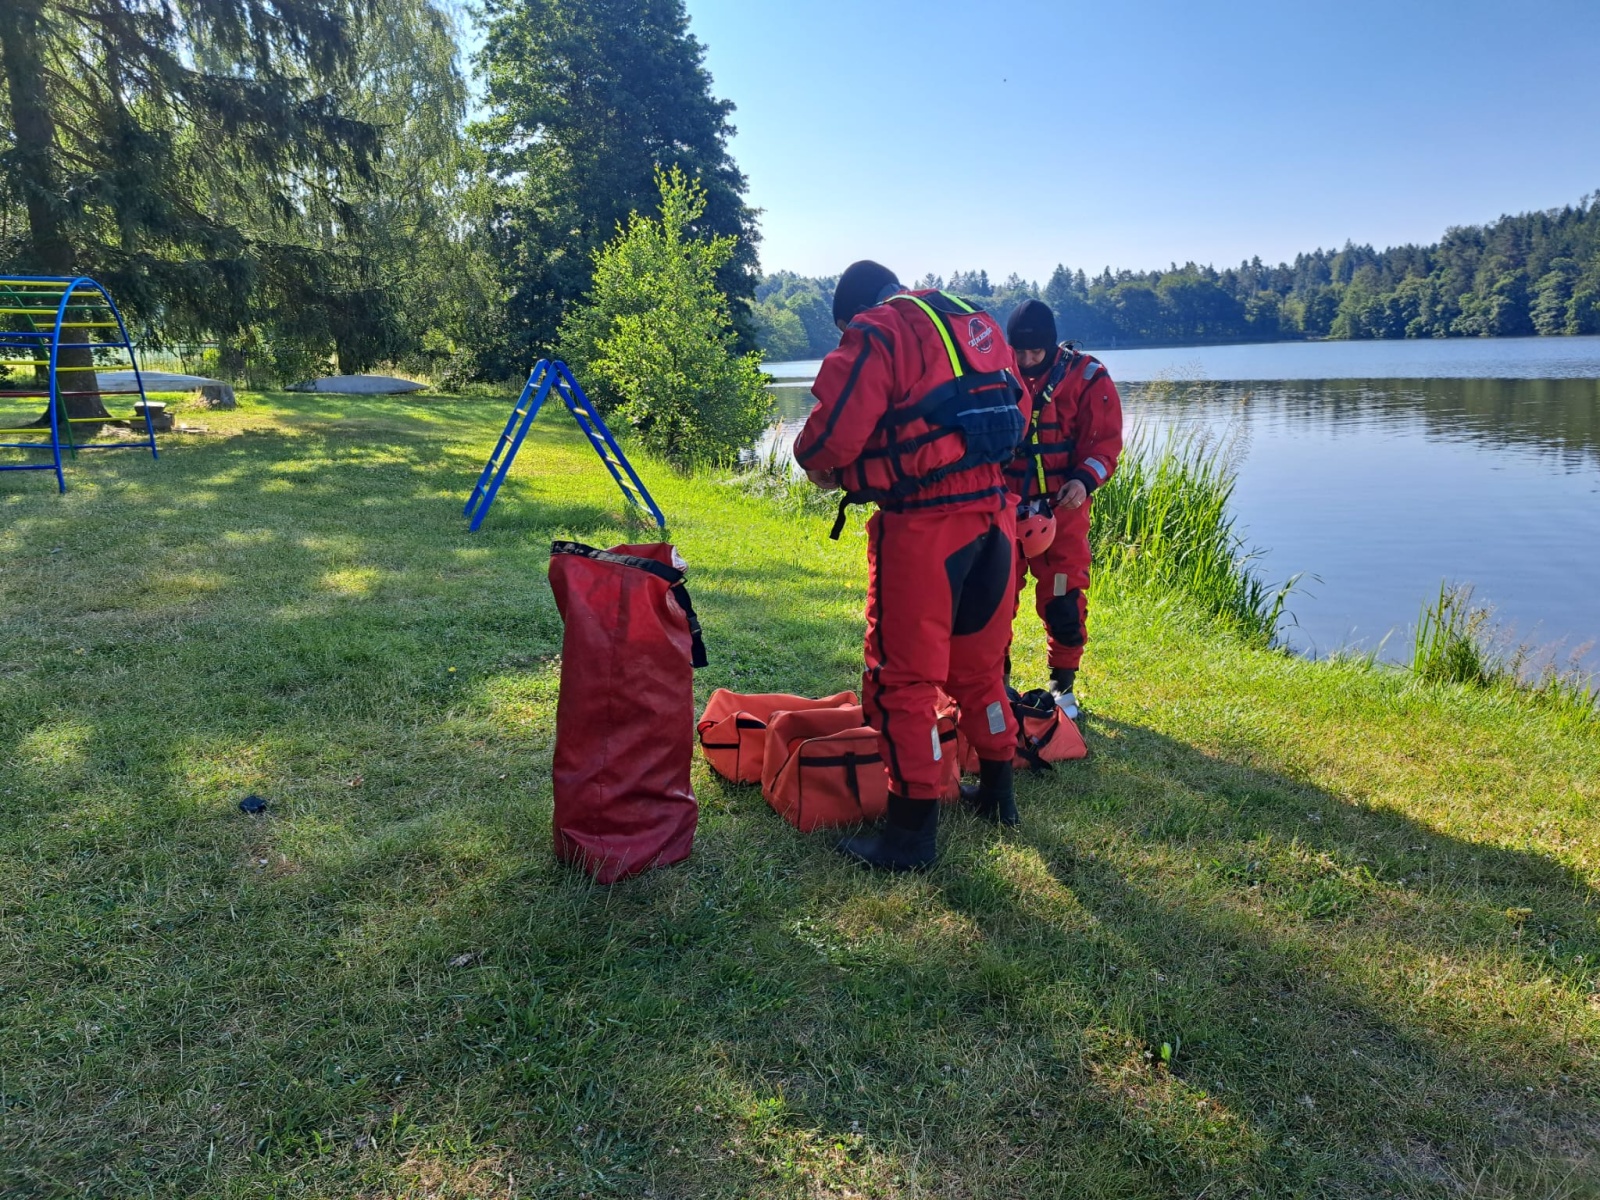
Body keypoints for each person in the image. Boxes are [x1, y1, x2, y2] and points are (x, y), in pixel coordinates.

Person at [794, 261, 1029, 869]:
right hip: (994, 520)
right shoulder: (971, 319)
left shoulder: (879, 329)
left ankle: (909, 835)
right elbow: (1018, 410)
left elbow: (828, 440)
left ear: (851, 313)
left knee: (904, 681)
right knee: (979, 671)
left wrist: (822, 464)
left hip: (925, 529)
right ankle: (998, 796)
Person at [1003, 299, 1123, 717]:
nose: (1025, 359)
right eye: (1018, 351)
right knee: (994, 596)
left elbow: (1106, 444)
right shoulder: (995, 371)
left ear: (1051, 347)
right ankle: (994, 681)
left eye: (1034, 352)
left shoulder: (1087, 377)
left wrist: (1084, 479)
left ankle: (1062, 685)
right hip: (1005, 507)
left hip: (1062, 509)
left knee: (1063, 596)